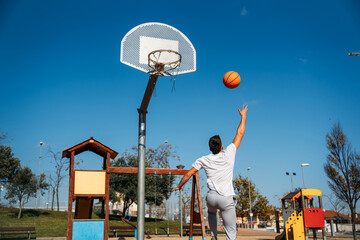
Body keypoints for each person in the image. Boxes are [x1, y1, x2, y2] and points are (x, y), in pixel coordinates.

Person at [172, 104, 248, 240]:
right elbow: (240, 133)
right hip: (226, 197)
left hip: (212, 198)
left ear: (210, 148)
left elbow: (188, 174)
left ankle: (213, 236)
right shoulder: (229, 152)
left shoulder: (204, 159)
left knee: (212, 213)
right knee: (230, 231)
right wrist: (243, 117)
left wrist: (179, 186)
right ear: (222, 147)